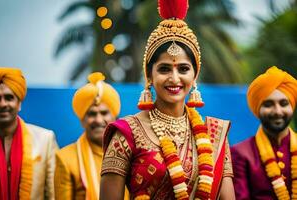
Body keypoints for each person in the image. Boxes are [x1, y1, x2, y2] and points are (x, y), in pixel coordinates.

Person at [100, 0, 235, 199]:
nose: (174, 78)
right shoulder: (125, 134)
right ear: (149, 75)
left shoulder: (214, 134)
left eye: (183, 69)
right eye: (164, 69)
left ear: (194, 75)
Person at [54, 72, 129, 199]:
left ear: (115, 117)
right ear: (82, 119)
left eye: (104, 113)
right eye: (92, 114)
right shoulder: (65, 158)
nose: (99, 120)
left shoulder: (131, 154)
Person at [231, 66, 297, 199]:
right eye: (268, 104)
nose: (277, 111)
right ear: (257, 108)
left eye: (284, 103)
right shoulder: (241, 153)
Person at [0, 67, 58, 200]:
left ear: (19, 103)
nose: (2, 104)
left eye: (9, 98)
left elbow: (54, 194)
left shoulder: (45, 139)